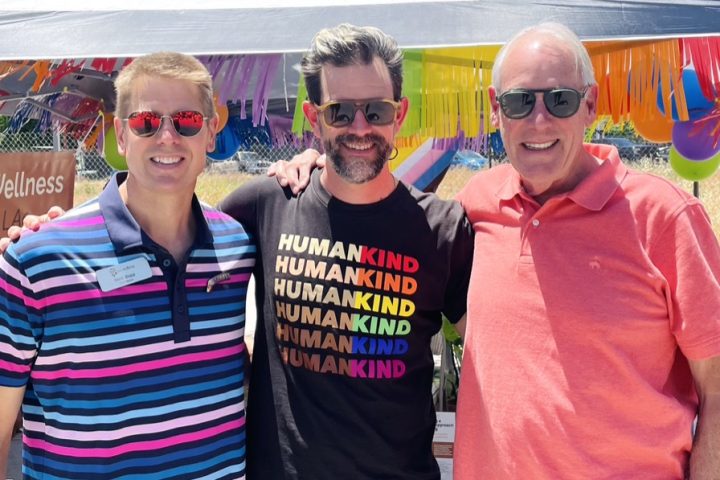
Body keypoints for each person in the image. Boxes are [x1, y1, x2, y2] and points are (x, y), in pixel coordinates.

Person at [451, 22, 720, 479]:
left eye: (560, 99)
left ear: (590, 104)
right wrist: (314, 173)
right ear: (497, 111)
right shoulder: (476, 204)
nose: (539, 121)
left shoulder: (662, 217)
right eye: (520, 102)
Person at [218, 24, 473, 480]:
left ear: (400, 113)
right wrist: (49, 225)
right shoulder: (264, 205)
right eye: (340, 112)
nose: (360, 128)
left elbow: (502, 354)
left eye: (376, 110)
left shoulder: (444, 229)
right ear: (314, 119)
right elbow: (167, 242)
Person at [0, 52, 254, 479]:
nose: (168, 137)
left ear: (210, 132)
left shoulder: (237, 246)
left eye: (187, 119)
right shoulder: (35, 261)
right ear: (120, 134)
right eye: (146, 122)